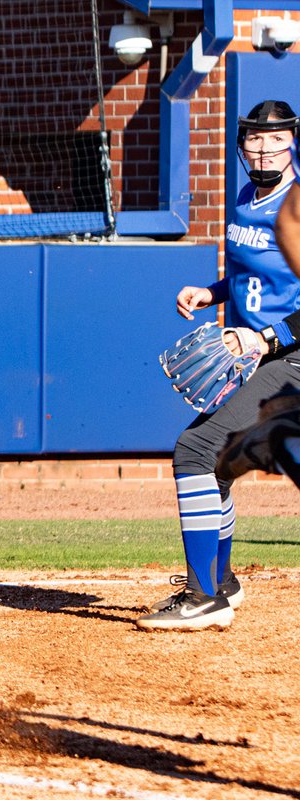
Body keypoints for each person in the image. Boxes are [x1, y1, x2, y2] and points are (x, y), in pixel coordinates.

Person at [137, 100, 300, 631]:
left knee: (196, 450)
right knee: (219, 461)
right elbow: (256, 278)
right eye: (256, 138)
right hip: (260, 355)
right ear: (242, 144)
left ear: (293, 143)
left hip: (291, 357)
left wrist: (265, 337)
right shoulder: (247, 198)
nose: (265, 148)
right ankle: (221, 583)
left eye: (277, 138)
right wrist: (212, 293)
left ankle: (203, 597)